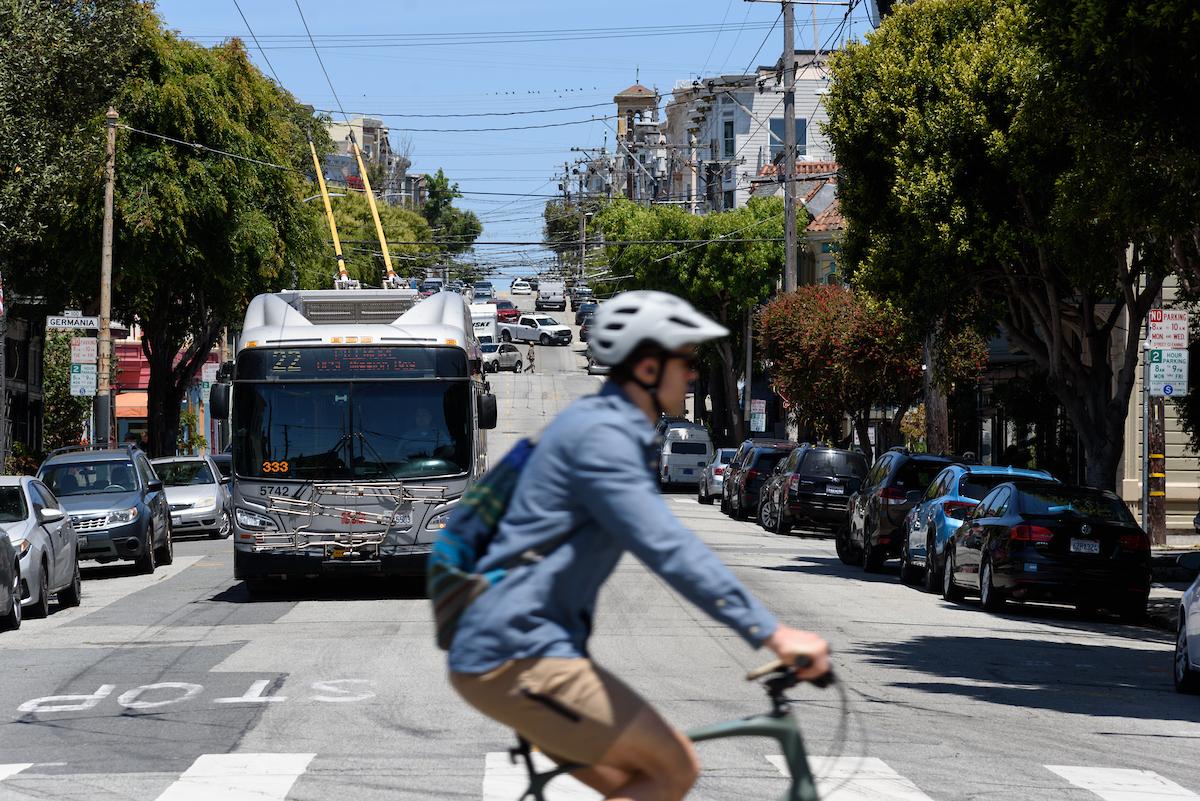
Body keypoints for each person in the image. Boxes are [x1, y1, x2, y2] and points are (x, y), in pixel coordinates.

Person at [447, 291, 830, 801]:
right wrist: (772, 633)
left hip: (511, 645)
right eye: (684, 361)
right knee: (670, 769)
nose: (692, 374)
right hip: (518, 650)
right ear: (648, 367)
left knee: (642, 781)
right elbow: (667, 546)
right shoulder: (606, 438)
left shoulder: (604, 427)